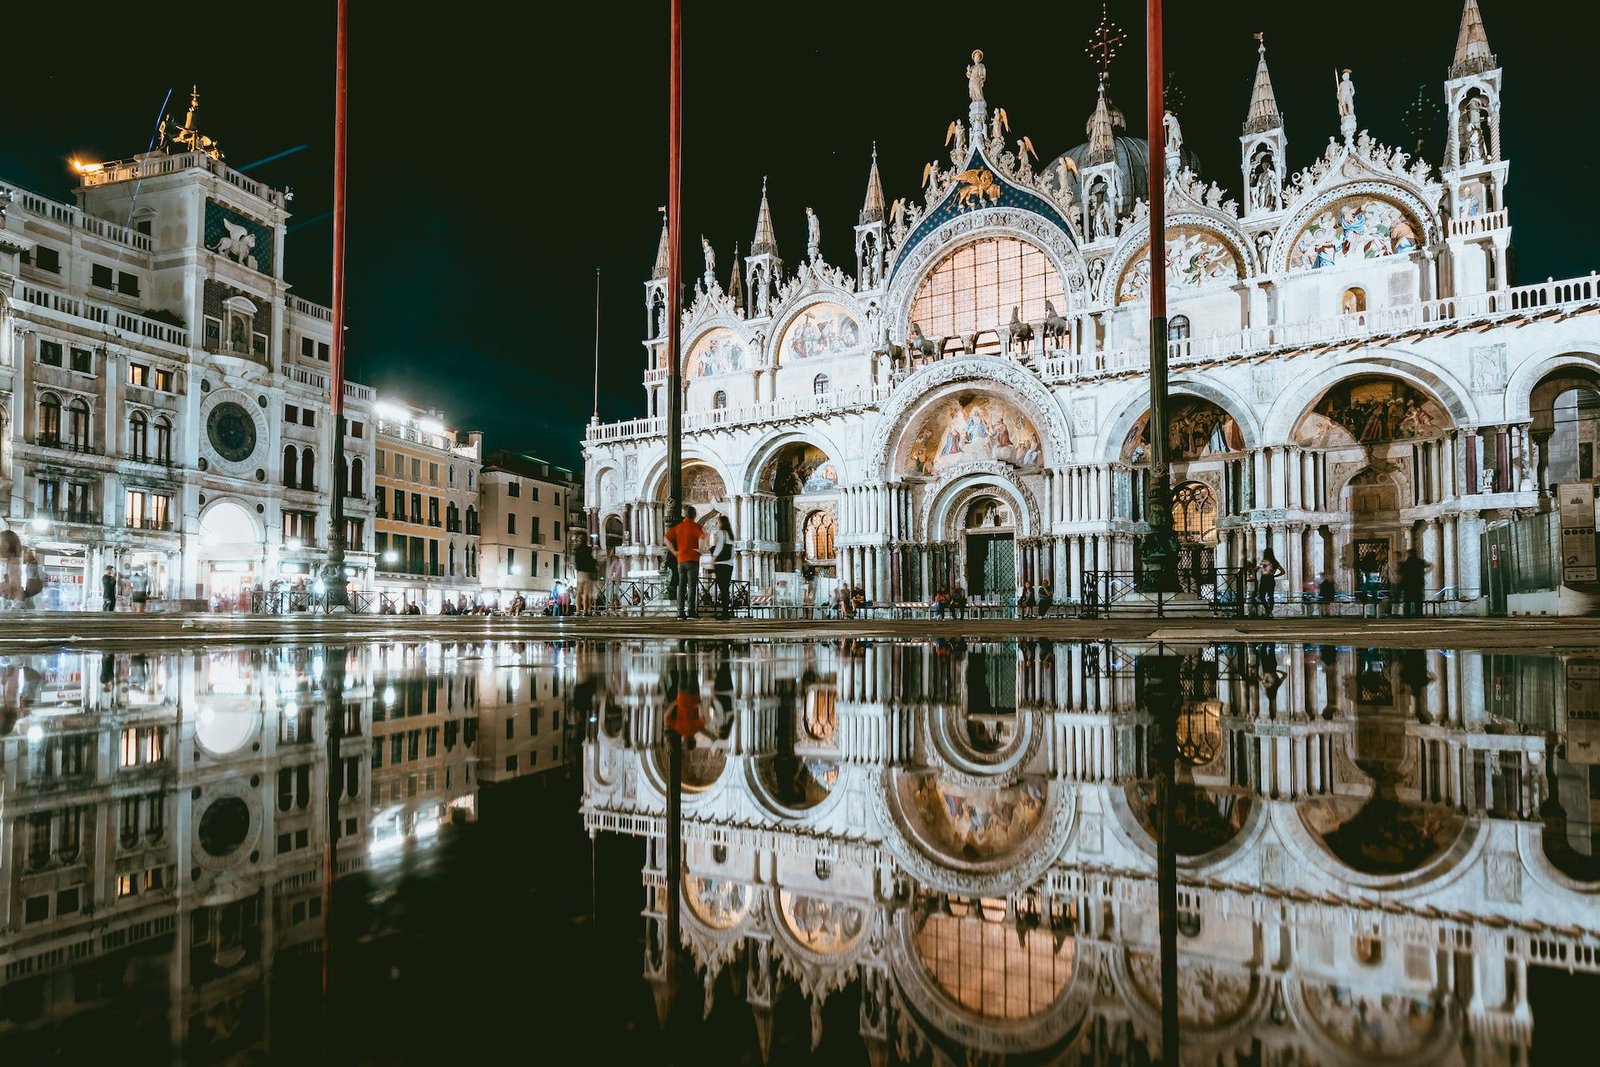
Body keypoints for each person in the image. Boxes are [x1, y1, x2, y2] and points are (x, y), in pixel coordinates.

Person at [665, 506, 704, 620]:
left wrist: (674, 551)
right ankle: (691, 612)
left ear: (684, 514)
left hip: (681, 560)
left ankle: (680, 612)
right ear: (694, 515)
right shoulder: (696, 526)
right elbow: (702, 537)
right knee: (691, 586)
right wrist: (700, 550)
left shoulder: (679, 527)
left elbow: (666, 538)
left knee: (681, 586)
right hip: (692, 559)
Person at [710, 515, 735, 620]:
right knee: (725, 589)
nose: (717, 525)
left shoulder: (720, 533)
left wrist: (713, 560)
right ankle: (726, 612)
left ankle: (725, 612)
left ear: (721, 523)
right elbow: (732, 552)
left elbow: (719, 547)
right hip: (729, 564)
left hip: (721, 564)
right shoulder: (731, 535)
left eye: (717, 522)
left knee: (722, 588)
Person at [1398, 548, 1429, 618]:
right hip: (1417, 582)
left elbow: (1401, 573)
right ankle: (1419, 614)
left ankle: (1407, 615)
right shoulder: (1420, 561)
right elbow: (1430, 565)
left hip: (1407, 583)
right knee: (1418, 599)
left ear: (1408, 554)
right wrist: (1425, 573)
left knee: (1407, 600)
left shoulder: (1406, 563)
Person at [1254, 551, 1285, 617]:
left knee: (1261, 595)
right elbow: (1283, 572)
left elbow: (1255, 569)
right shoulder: (1275, 562)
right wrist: (1275, 576)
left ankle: (1267, 610)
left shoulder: (1263, 561)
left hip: (1264, 579)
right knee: (1271, 595)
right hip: (1271, 578)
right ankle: (1270, 611)